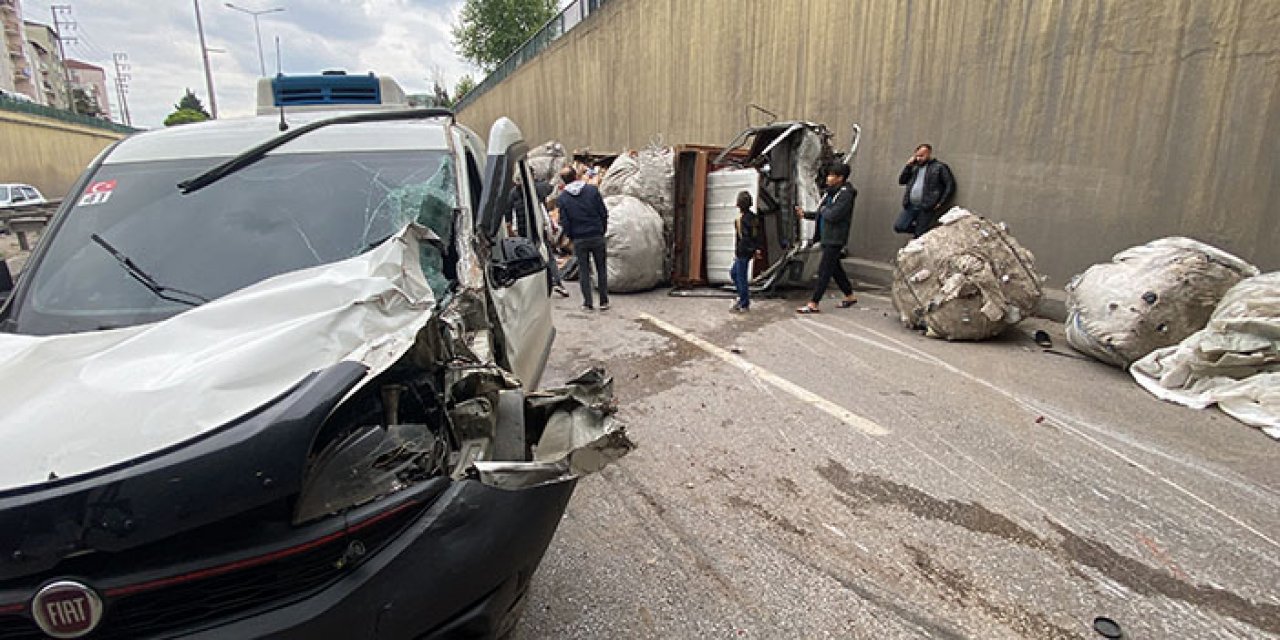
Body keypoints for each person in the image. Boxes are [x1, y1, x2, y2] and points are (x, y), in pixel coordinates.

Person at [794, 163, 858, 314]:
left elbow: (833, 215)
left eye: (831, 176)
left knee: (824, 270)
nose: (828, 178)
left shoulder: (845, 195)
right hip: (826, 236)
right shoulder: (829, 193)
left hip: (835, 238)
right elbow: (821, 213)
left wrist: (823, 210)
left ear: (840, 178)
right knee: (835, 269)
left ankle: (813, 303)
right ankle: (849, 296)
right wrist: (806, 215)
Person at [557, 166, 610, 311]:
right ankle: (604, 301)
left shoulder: (563, 198)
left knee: (584, 270)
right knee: (601, 268)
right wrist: (602, 229)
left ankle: (588, 303)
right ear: (576, 176)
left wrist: (572, 236)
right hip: (596, 235)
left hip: (579, 238)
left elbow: (564, 222)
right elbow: (603, 212)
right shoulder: (592, 191)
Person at [894, 143, 956, 238]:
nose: (919, 158)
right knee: (899, 226)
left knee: (918, 234)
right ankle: (926, 232)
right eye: (917, 156)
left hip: (927, 206)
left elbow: (950, 184)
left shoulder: (939, 167)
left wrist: (941, 202)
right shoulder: (914, 167)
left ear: (929, 154)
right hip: (910, 205)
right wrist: (908, 166)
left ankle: (921, 233)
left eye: (922, 156)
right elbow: (902, 181)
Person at [730, 191, 763, 313]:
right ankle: (742, 297)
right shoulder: (754, 217)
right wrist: (756, 248)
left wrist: (739, 252)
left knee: (740, 276)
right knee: (734, 273)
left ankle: (744, 302)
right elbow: (757, 234)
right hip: (749, 251)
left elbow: (744, 238)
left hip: (743, 252)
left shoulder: (741, 220)